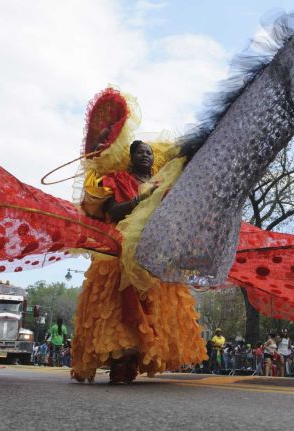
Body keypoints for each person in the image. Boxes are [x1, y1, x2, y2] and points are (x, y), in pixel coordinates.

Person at [71, 89, 206, 384]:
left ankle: (135, 358)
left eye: (149, 153)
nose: (146, 155)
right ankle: (121, 359)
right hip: (120, 253)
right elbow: (113, 211)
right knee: (119, 309)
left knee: (154, 308)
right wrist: (138, 203)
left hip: (154, 252)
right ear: (130, 158)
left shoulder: (160, 181)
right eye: (140, 152)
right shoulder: (115, 181)